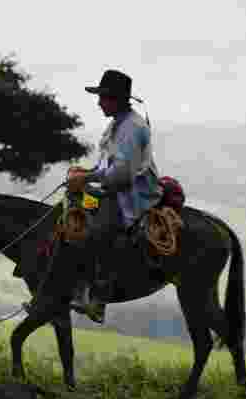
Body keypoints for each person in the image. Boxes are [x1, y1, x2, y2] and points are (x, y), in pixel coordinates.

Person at [66, 69, 162, 324]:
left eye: (103, 98)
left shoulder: (131, 127)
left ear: (117, 99)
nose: (99, 103)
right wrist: (86, 173)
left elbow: (121, 175)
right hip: (114, 188)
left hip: (132, 194)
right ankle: (73, 285)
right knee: (71, 212)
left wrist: (86, 179)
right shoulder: (117, 124)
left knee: (99, 228)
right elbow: (107, 167)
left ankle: (100, 296)